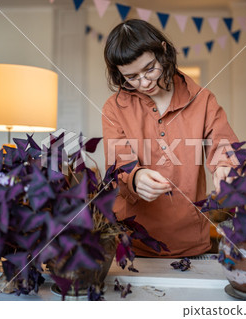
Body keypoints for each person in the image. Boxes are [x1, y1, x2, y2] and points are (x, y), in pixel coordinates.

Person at [102, 19, 238, 257]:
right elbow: (119, 165)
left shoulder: (203, 100)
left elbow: (223, 146)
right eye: (132, 77)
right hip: (132, 244)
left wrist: (224, 167)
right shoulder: (114, 108)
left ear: (163, 50)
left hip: (190, 242)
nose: (144, 83)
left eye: (149, 69)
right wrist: (135, 178)